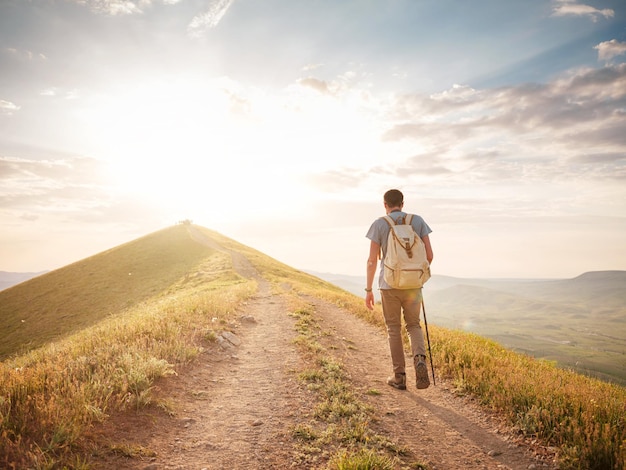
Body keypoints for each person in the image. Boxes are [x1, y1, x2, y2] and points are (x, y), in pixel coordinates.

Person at [365, 189, 433, 390]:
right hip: (413, 285)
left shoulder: (380, 224)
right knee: (413, 326)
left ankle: (399, 376)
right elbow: (429, 255)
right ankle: (420, 359)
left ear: (384, 204)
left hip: (389, 285)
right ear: (402, 204)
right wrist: (416, 275)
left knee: (393, 329)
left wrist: (368, 289)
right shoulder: (418, 221)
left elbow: (371, 261)